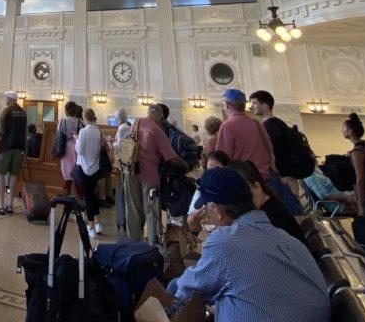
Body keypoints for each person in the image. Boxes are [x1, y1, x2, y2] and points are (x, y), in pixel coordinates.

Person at [167, 167, 330, 322]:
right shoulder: (285, 238)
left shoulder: (224, 242)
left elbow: (184, 291)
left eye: (208, 210)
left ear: (217, 210)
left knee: (174, 287)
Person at [123, 104, 184, 240]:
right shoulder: (157, 131)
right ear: (158, 115)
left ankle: (133, 241)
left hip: (131, 169)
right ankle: (153, 239)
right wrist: (184, 164)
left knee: (132, 208)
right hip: (149, 173)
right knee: (151, 209)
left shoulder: (136, 122)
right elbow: (171, 157)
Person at [223, 159, 306, 246]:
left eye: (244, 193)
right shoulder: (269, 205)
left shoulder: (269, 218)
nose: (240, 201)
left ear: (257, 187)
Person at [249, 90, 307, 204]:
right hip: (288, 175)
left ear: (265, 106)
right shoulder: (278, 122)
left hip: (283, 177)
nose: (251, 107)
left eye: (254, 103)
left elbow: (272, 151)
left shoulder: (269, 125)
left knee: (289, 212)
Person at [214, 89, 274, 179]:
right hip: (265, 177)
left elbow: (221, 158)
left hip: (244, 180)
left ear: (227, 105)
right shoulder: (256, 123)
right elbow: (269, 148)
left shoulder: (227, 125)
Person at [0, 91, 27, 215]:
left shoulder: (6, 111)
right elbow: (24, 133)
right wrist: (25, 150)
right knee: (14, 175)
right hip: (18, 149)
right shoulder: (23, 112)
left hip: (5, 148)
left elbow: (1, 132)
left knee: (0, 175)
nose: (6, 99)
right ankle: (10, 205)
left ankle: (1, 206)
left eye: (7, 98)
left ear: (11, 99)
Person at [73, 108, 106, 238]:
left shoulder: (83, 131)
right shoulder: (98, 131)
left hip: (84, 167)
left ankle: (91, 225)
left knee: (88, 197)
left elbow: (80, 150)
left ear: (84, 118)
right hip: (95, 167)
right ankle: (98, 222)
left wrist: (76, 140)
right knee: (92, 195)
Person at [56, 102, 84, 196]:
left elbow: (58, 135)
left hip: (65, 149)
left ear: (66, 111)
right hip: (76, 148)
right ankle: (79, 204)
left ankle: (66, 201)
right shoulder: (79, 121)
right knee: (77, 176)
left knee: (67, 177)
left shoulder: (62, 121)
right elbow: (83, 135)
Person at [113, 108, 131, 232]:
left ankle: (122, 220)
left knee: (122, 192)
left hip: (122, 164)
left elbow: (119, 146)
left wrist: (110, 142)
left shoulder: (122, 128)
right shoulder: (127, 127)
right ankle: (122, 220)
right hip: (125, 164)